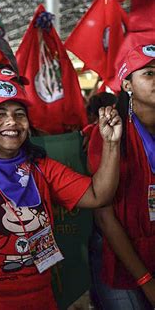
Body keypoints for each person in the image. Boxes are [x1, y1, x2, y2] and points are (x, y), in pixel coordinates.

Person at [0, 68, 122, 309]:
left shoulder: (42, 167)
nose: (12, 121)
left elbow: (98, 195)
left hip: (41, 299)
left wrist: (111, 143)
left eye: (19, 114)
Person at [88, 35, 155, 309]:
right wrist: (147, 282)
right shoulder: (109, 133)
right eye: (149, 73)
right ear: (127, 84)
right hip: (119, 255)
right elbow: (104, 216)